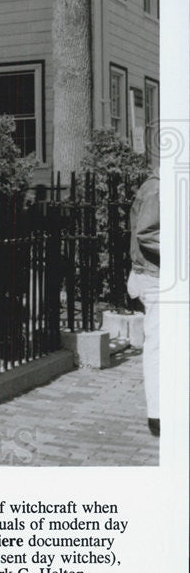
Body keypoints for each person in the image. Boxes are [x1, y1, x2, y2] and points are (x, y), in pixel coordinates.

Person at [127, 170, 160, 436]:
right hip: (155, 277)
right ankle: (158, 414)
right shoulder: (157, 189)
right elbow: (147, 233)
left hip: (162, 276)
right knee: (158, 345)